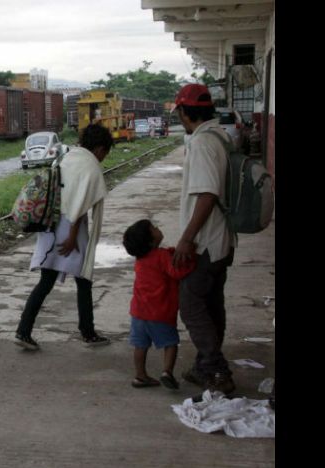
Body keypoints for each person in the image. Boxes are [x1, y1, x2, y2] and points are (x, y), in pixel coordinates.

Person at [15, 124, 113, 350]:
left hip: (51, 224)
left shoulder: (67, 157)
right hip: (70, 229)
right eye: (105, 152)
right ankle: (87, 333)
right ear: (99, 148)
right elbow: (79, 204)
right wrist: (71, 237)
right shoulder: (90, 165)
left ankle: (23, 331)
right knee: (83, 279)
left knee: (47, 281)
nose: (104, 157)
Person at [172, 83, 238, 394]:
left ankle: (215, 369)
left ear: (185, 112)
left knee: (191, 305)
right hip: (223, 240)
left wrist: (187, 239)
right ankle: (203, 367)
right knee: (212, 305)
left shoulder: (201, 144)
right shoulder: (221, 136)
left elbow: (208, 194)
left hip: (206, 243)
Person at [122, 219, 195, 389]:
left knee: (140, 345)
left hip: (139, 312)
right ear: (151, 240)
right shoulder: (161, 256)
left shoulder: (141, 260)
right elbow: (177, 272)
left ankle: (140, 376)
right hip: (160, 311)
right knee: (170, 344)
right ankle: (167, 372)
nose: (158, 227)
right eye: (153, 228)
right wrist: (191, 257)